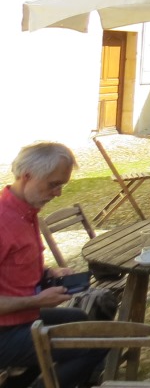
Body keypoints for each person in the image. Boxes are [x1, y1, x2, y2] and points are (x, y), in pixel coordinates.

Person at [0, 143, 107, 387]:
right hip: (5, 331)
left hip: (21, 318)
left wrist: (49, 272)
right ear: (27, 176)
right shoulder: (3, 220)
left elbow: (12, 267)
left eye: (61, 185)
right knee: (96, 342)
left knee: (80, 319)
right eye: (53, 184)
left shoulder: (25, 212)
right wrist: (36, 300)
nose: (58, 193)